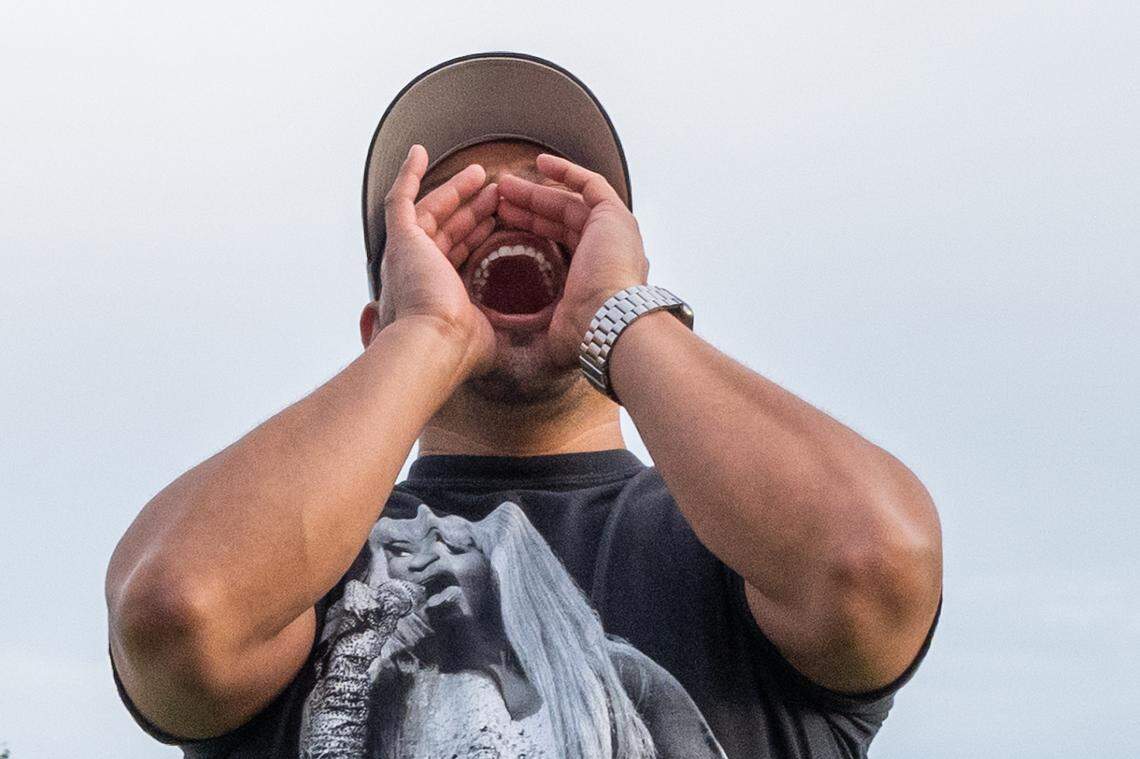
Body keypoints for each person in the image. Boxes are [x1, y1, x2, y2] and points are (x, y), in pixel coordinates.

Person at [106, 52, 943, 759]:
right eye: (451, 211)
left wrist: (615, 318)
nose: (508, 211)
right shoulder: (295, 573)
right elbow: (177, 610)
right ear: (377, 330)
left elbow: (873, 559)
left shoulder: (742, 540)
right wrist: (431, 332)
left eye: (555, 199)